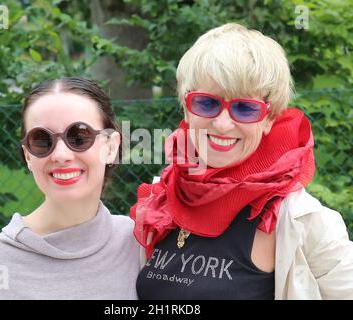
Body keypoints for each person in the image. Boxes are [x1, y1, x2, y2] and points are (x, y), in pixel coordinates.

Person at [131, 23, 353, 299]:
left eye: (245, 108)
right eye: (207, 103)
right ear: (187, 109)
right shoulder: (161, 201)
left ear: (269, 119)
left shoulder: (305, 223)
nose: (223, 124)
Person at [0, 77, 140, 299]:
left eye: (79, 136)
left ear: (111, 147)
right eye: (42, 140)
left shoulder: (138, 242)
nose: (61, 155)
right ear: (28, 156)